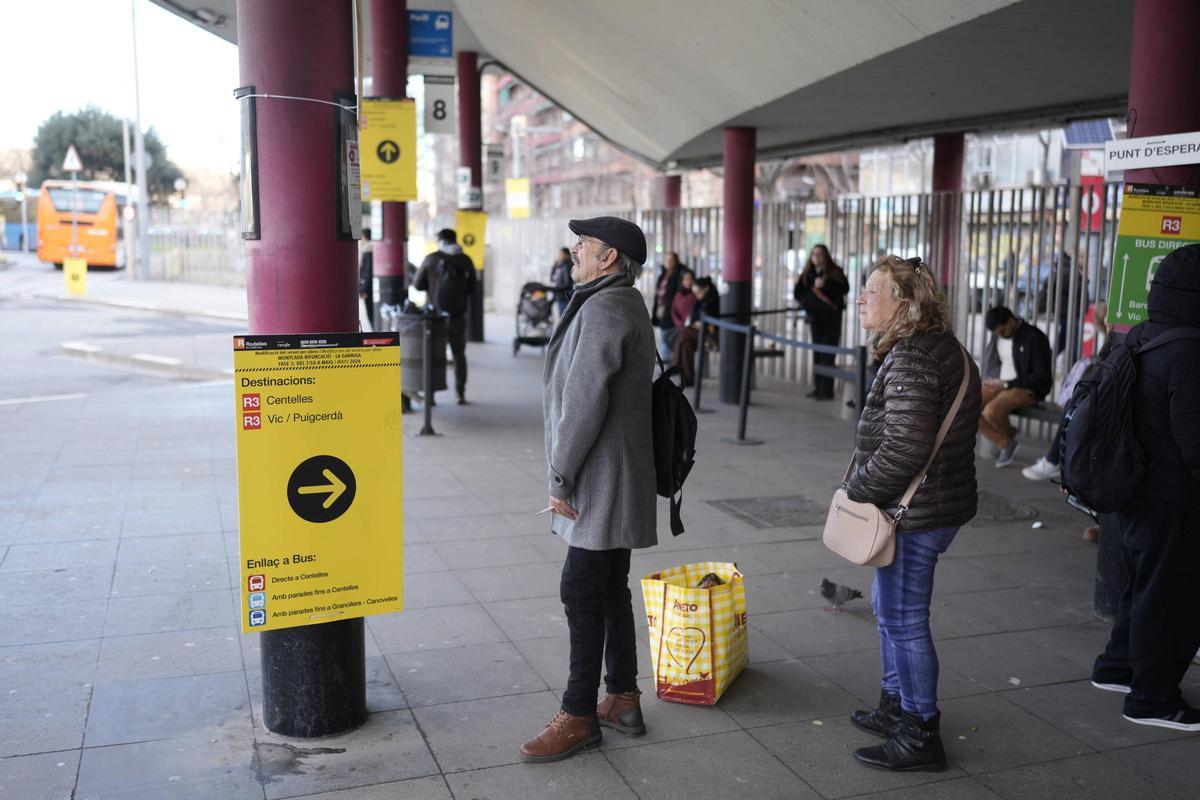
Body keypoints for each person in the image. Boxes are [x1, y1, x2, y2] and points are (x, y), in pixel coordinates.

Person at [521, 215, 657, 763]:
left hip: (599, 477)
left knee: (580, 590)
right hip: (619, 472)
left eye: (585, 245)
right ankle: (622, 696)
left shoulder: (604, 307)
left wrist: (560, 477)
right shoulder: (621, 301)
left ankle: (578, 715)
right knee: (609, 587)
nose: (575, 250)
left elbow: (581, 405)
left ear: (608, 258)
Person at [846, 255, 981, 772]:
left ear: (905, 303)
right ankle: (895, 705)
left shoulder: (914, 358)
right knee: (889, 608)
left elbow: (903, 449)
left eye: (873, 290)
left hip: (916, 511)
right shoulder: (938, 348)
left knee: (903, 618)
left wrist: (857, 490)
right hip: (934, 504)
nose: (862, 298)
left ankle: (920, 732)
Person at [1091, 243, 1200, 732]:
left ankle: (1117, 667)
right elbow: (1195, 440)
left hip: (1131, 488)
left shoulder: (1140, 336)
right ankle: (1153, 699)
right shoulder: (1191, 352)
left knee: (1141, 587)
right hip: (1172, 497)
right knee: (1169, 598)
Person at [979, 305, 1051, 467]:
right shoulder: (998, 338)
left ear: (1012, 321)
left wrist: (1006, 383)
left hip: (1028, 389)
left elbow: (1041, 377)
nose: (1000, 335)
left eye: (1003, 331)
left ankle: (1008, 438)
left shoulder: (1034, 337)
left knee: (991, 411)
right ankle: (1005, 442)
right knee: (968, 405)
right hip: (1002, 384)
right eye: (997, 332)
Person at [413, 228, 477, 405]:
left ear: (440, 240)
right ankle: (460, 393)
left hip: (435, 317)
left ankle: (431, 395)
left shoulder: (431, 258)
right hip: (457, 315)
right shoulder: (465, 260)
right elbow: (472, 288)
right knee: (458, 354)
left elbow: (417, 284)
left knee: (433, 354)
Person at [794, 244, 850, 400]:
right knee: (817, 352)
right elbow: (798, 292)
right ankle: (818, 387)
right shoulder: (808, 273)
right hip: (815, 318)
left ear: (825, 256)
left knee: (828, 353)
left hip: (831, 319)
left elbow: (845, 288)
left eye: (819, 254)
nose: (816, 257)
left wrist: (825, 285)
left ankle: (827, 390)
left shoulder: (835, 272)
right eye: (813, 254)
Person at [672, 276, 720, 387]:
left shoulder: (715, 300)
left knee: (683, 335)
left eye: (698, 292)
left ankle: (674, 365)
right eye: (695, 293)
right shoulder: (700, 301)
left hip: (711, 334)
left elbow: (714, 321)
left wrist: (702, 323)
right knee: (686, 343)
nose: (697, 296)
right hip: (697, 332)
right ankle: (688, 378)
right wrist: (697, 323)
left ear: (706, 288)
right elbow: (694, 317)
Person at [651, 251, 690, 360]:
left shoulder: (679, 275)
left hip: (672, 311)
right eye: (666, 260)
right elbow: (658, 294)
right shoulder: (663, 274)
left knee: (667, 335)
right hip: (661, 309)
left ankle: (667, 360)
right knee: (665, 336)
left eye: (670, 260)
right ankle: (667, 361)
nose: (667, 262)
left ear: (675, 262)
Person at [662, 269, 697, 356]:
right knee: (667, 336)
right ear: (681, 281)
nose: (688, 282)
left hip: (691, 326)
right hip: (680, 326)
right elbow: (673, 311)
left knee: (678, 339)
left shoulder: (696, 294)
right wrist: (679, 323)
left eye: (690, 279)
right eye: (686, 279)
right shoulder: (678, 295)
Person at [358, 228, 374, 330]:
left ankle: (374, 329)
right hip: (369, 286)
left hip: (368, 288)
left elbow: (367, 272)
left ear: (364, 237)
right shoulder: (368, 249)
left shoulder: (368, 250)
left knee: (370, 312)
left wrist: (363, 289)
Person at [550, 246, 573, 315]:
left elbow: (567, 284)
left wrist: (555, 289)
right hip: (560, 297)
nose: (559, 256)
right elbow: (552, 278)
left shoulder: (567, 266)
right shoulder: (560, 266)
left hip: (564, 298)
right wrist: (555, 265)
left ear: (567, 255)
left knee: (564, 319)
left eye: (561, 254)